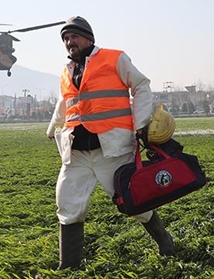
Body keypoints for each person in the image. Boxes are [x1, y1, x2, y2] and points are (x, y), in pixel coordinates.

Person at [45, 16, 174, 269]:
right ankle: (68, 266)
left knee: (135, 202)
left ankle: (165, 242)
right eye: (65, 38)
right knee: (67, 204)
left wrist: (140, 124)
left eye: (74, 36)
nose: (69, 42)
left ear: (88, 38)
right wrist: (52, 128)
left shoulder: (115, 58)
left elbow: (141, 85)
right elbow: (64, 102)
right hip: (76, 152)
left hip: (112, 149)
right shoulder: (67, 71)